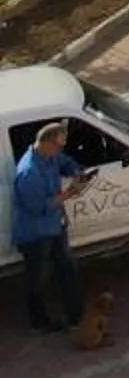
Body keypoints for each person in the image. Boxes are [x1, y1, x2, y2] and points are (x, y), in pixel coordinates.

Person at [12, 119, 86, 333]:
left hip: (54, 226)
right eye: (59, 145)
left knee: (68, 268)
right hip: (36, 234)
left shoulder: (49, 156)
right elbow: (37, 208)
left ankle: (76, 317)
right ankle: (38, 322)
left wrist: (75, 171)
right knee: (36, 279)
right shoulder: (29, 172)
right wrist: (69, 193)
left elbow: (65, 161)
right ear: (47, 143)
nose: (60, 149)